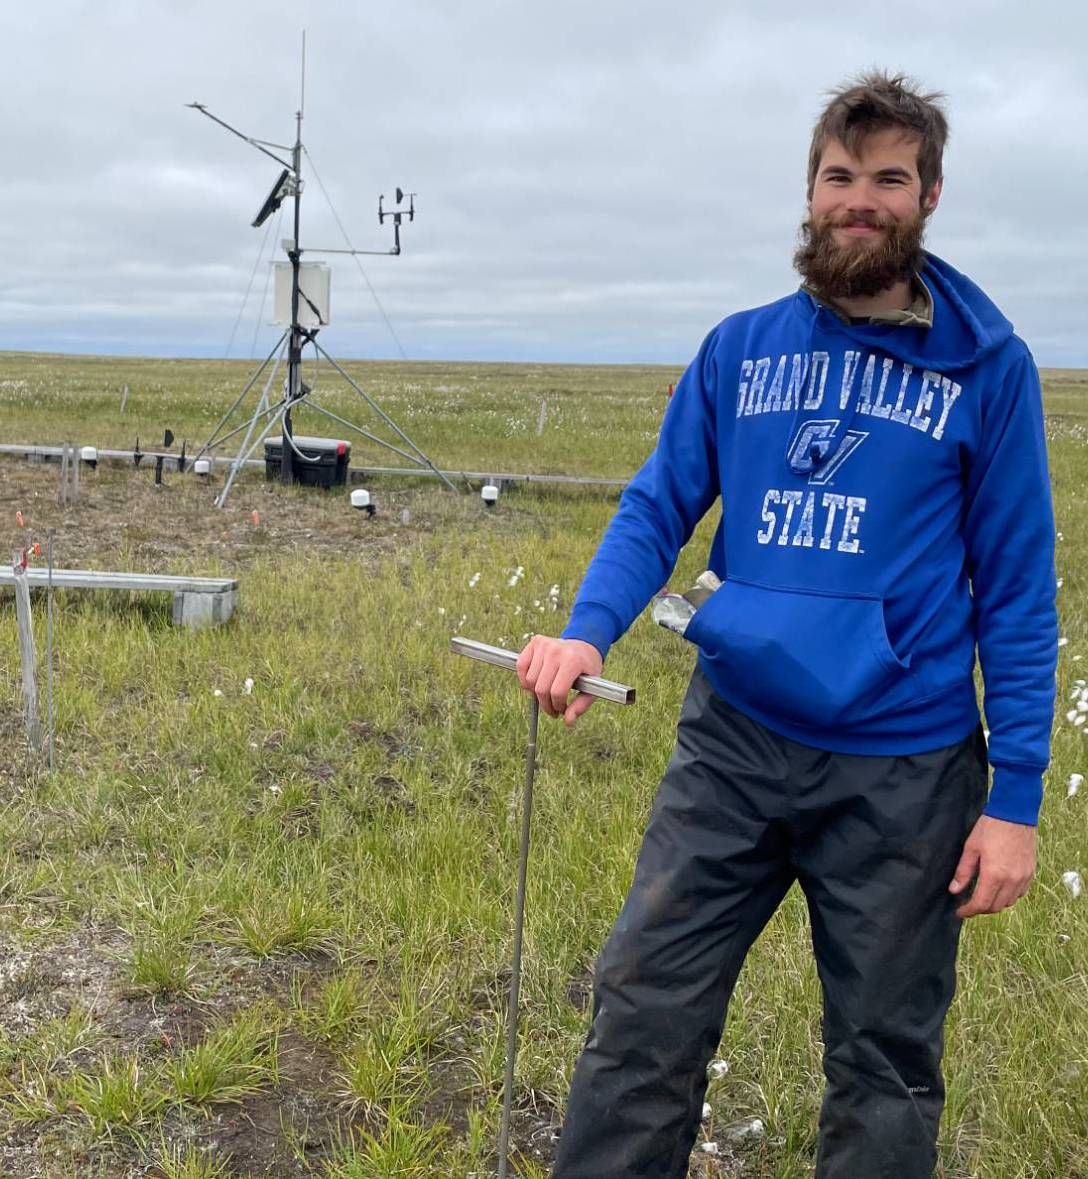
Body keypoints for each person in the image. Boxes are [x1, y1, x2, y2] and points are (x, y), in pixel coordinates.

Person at [516, 70, 1058, 1179]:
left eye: (888, 179)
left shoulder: (986, 371)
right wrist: (586, 630)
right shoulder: (737, 349)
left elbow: (1014, 586)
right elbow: (657, 504)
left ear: (930, 197)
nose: (860, 198)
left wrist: (1011, 802)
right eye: (838, 176)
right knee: (640, 1011)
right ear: (808, 191)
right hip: (734, 744)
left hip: (902, 772)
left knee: (883, 1059)